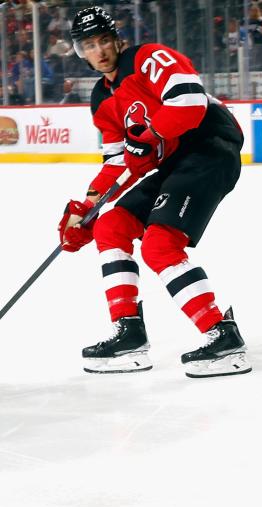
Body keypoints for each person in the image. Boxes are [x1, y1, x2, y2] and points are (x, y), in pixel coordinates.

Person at [57, 6, 250, 378]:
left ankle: (222, 337)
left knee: (160, 245)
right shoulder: (102, 99)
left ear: (116, 39)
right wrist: (88, 208)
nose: (99, 51)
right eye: (88, 45)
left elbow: (190, 100)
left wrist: (152, 133)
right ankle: (129, 334)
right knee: (110, 225)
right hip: (176, 164)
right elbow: (120, 162)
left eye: (102, 41)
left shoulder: (147, 59)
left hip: (209, 148)